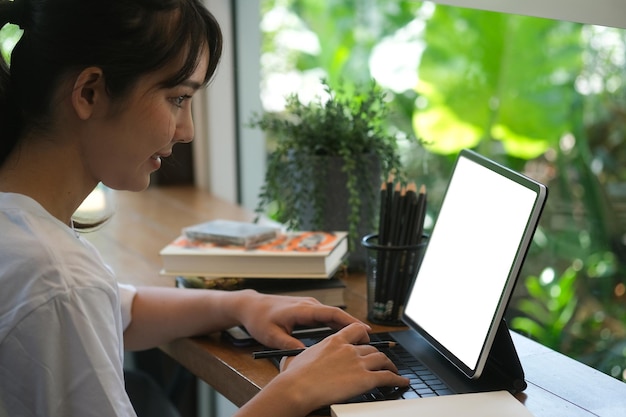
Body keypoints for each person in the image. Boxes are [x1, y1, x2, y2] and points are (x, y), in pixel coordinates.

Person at [0, 1, 409, 416]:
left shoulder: (23, 232)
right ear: (90, 93)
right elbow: (75, 297)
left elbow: (122, 311)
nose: (188, 130)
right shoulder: (55, 276)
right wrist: (295, 391)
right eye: (177, 98)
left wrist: (241, 304)